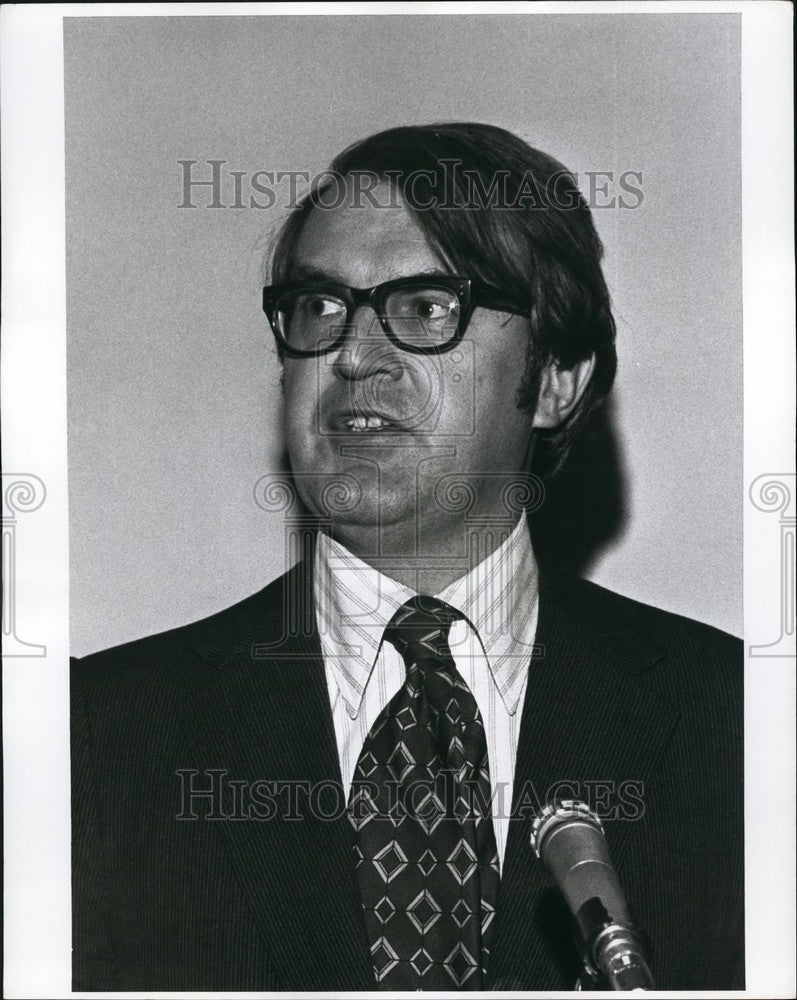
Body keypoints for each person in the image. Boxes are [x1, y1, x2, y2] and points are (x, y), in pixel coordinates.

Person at [71, 122, 743, 991]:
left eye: (426, 308)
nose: (352, 355)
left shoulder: (739, 723)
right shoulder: (95, 737)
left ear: (554, 379)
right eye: (318, 307)